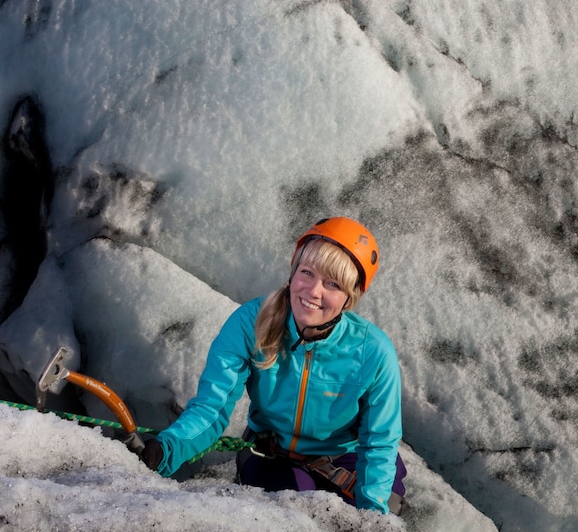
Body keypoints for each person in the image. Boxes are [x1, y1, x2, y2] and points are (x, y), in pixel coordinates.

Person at [139, 217, 405, 514]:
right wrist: (166, 449)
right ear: (293, 272)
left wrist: (372, 517)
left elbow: (379, 442)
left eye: (333, 283)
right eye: (307, 272)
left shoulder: (373, 351)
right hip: (273, 454)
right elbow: (211, 408)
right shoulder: (250, 324)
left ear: (350, 297)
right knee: (293, 520)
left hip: (347, 458)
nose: (314, 291)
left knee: (383, 508)